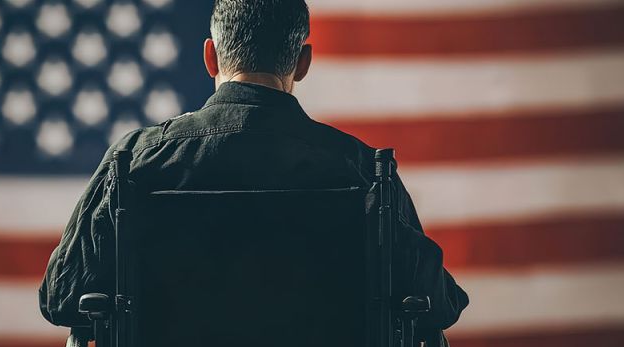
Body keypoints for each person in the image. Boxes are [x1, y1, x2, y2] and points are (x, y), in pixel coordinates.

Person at [39, 0, 468, 329]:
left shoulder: (136, 162)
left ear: (210, 57)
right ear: (303, 63)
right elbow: (438, 305)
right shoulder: (362, 170)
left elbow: (62, 297)